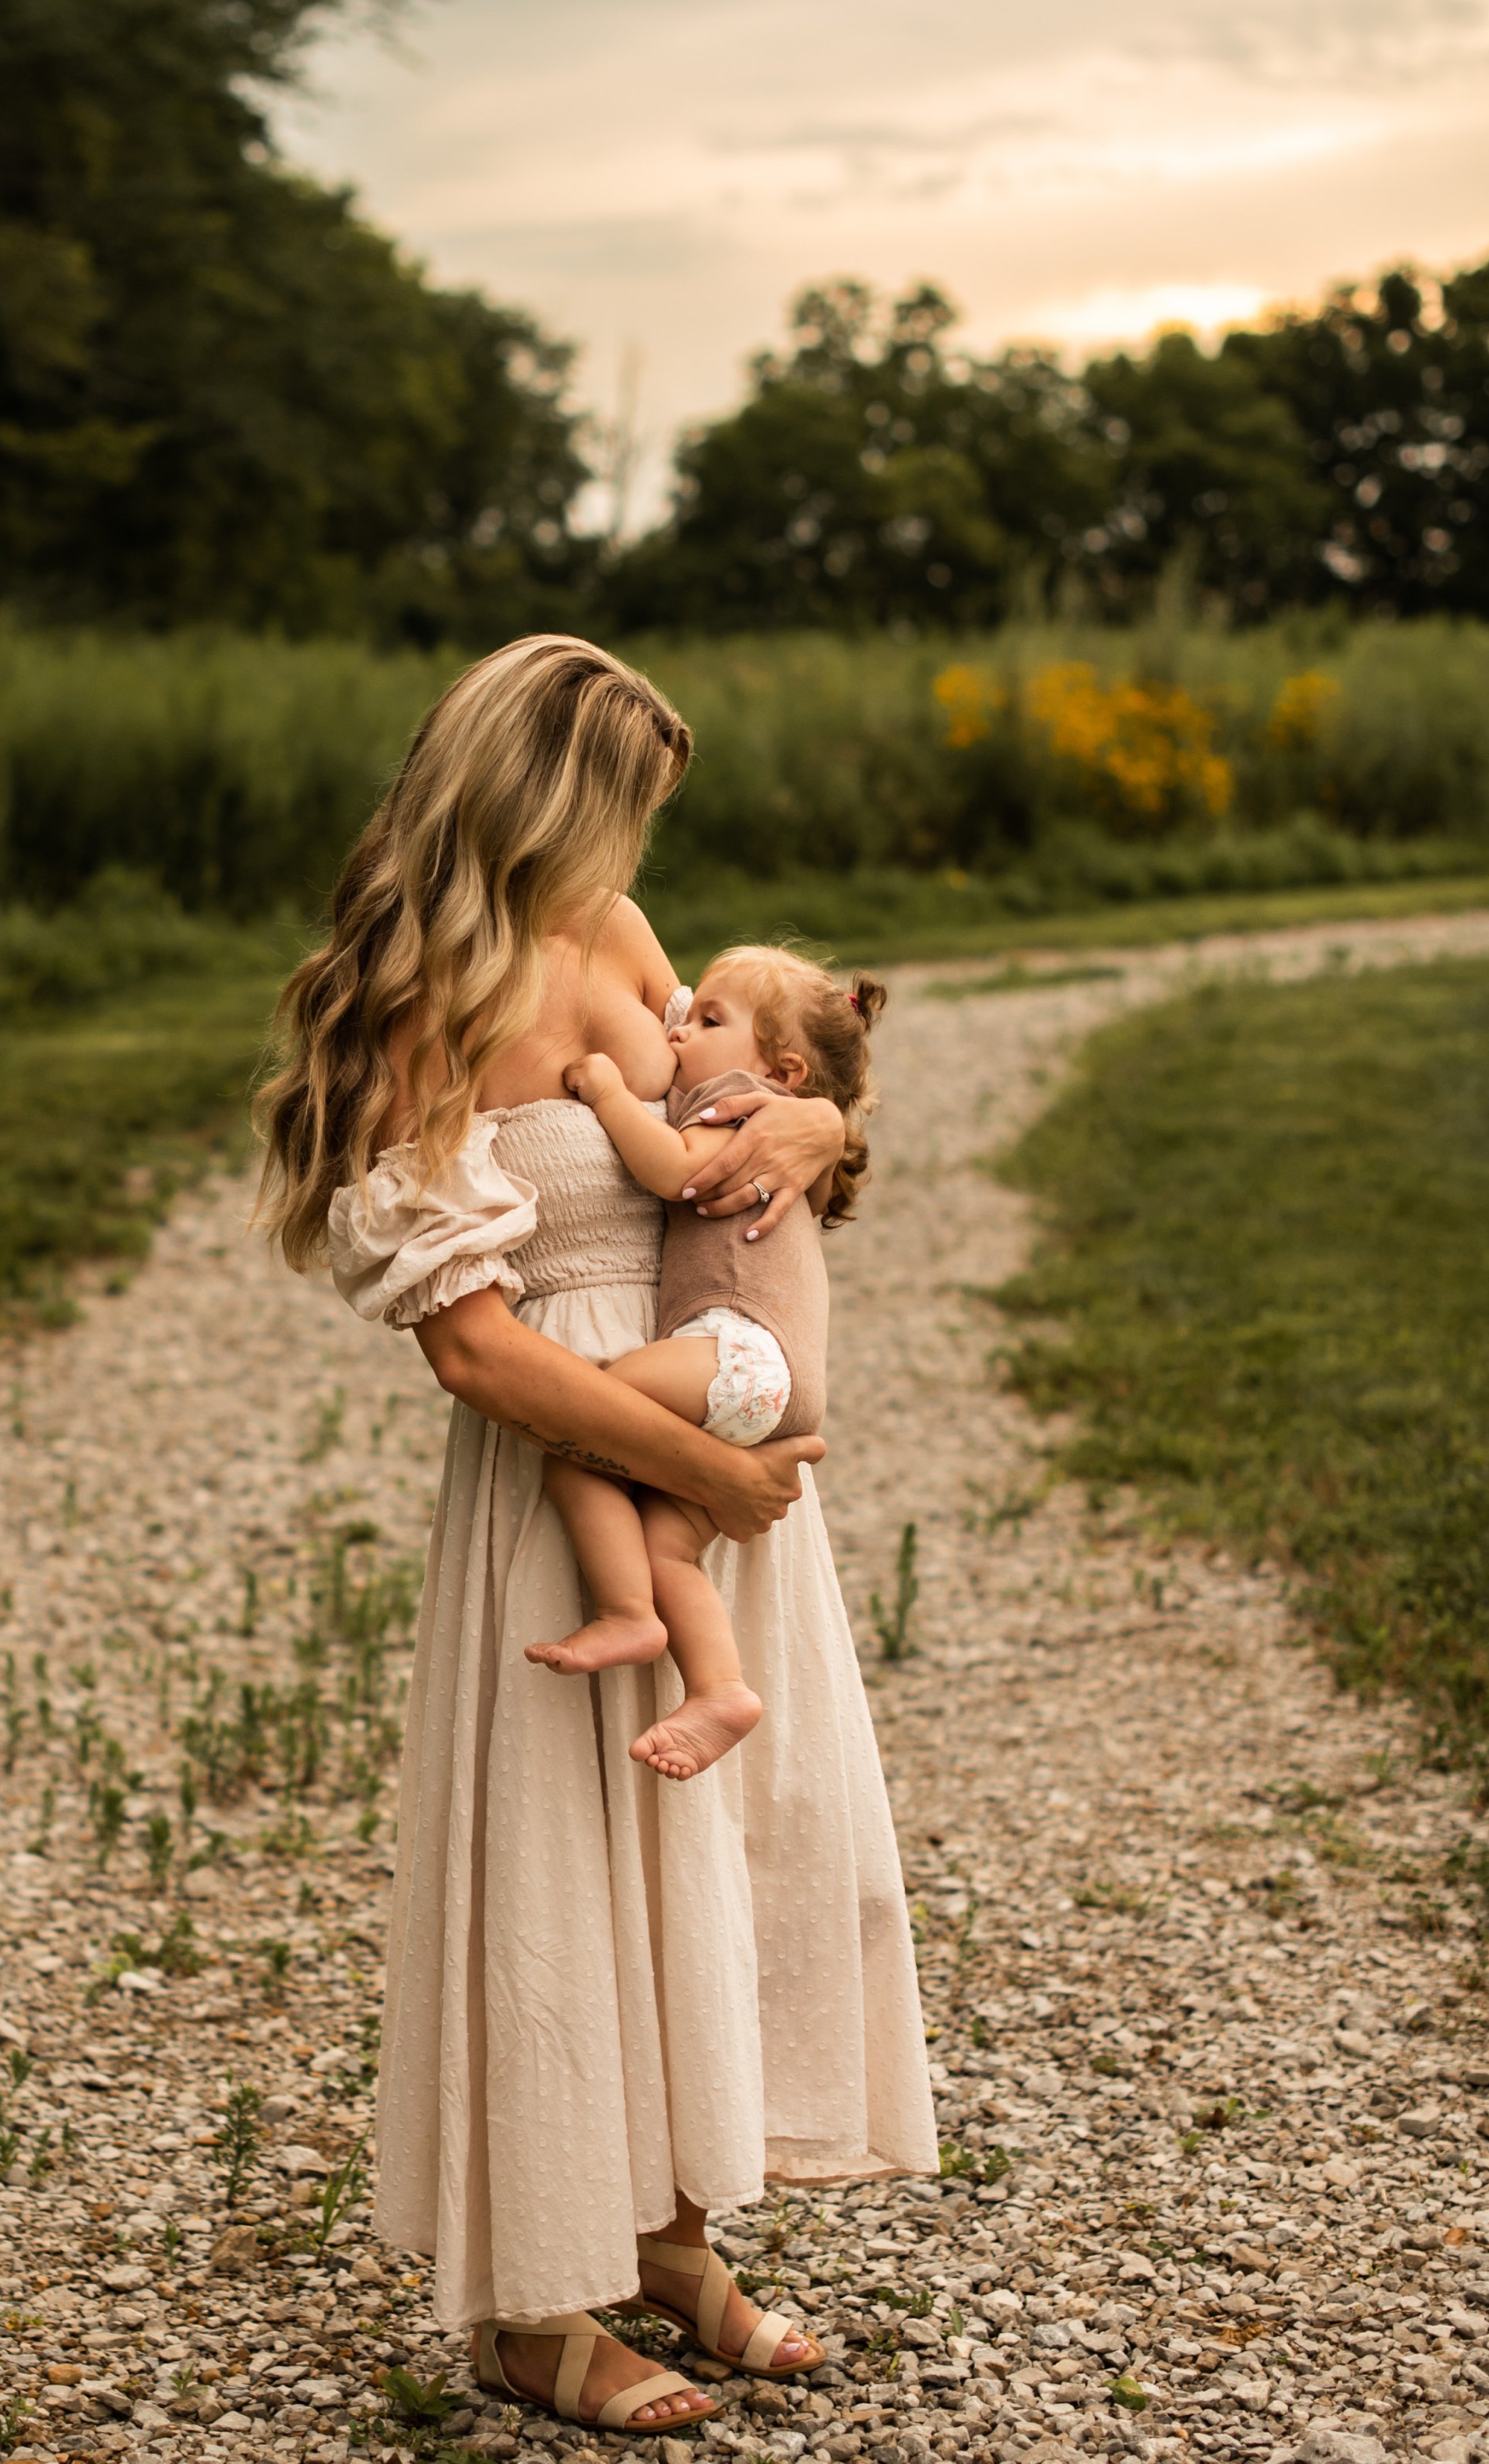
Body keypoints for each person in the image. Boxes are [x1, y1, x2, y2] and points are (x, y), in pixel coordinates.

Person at [258, 636, 935, 2440]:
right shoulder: (425, 998)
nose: (636, 848)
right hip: (570, 1440)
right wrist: (693, 1471)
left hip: (703, 1419)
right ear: (545, 793)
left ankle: (673, 2235)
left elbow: (736, 1111)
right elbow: (470, 1344)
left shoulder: (626, 930)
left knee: (716, 1849)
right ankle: (531, 2302)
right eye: (621, 803)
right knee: (565, 1871)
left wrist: (817, 1114)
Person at [526, 946, 887, 1787]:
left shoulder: (734, 1099)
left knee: (578, 1426)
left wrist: (613, 1094)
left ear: (783, 1069)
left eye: (709, 1021)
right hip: (776, 1383)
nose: (682, 1028)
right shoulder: (774, 1106)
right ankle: (718, 1690)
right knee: (669, 1549)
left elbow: (675, 1173)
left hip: (734, 1349)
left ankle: (624, 1613)